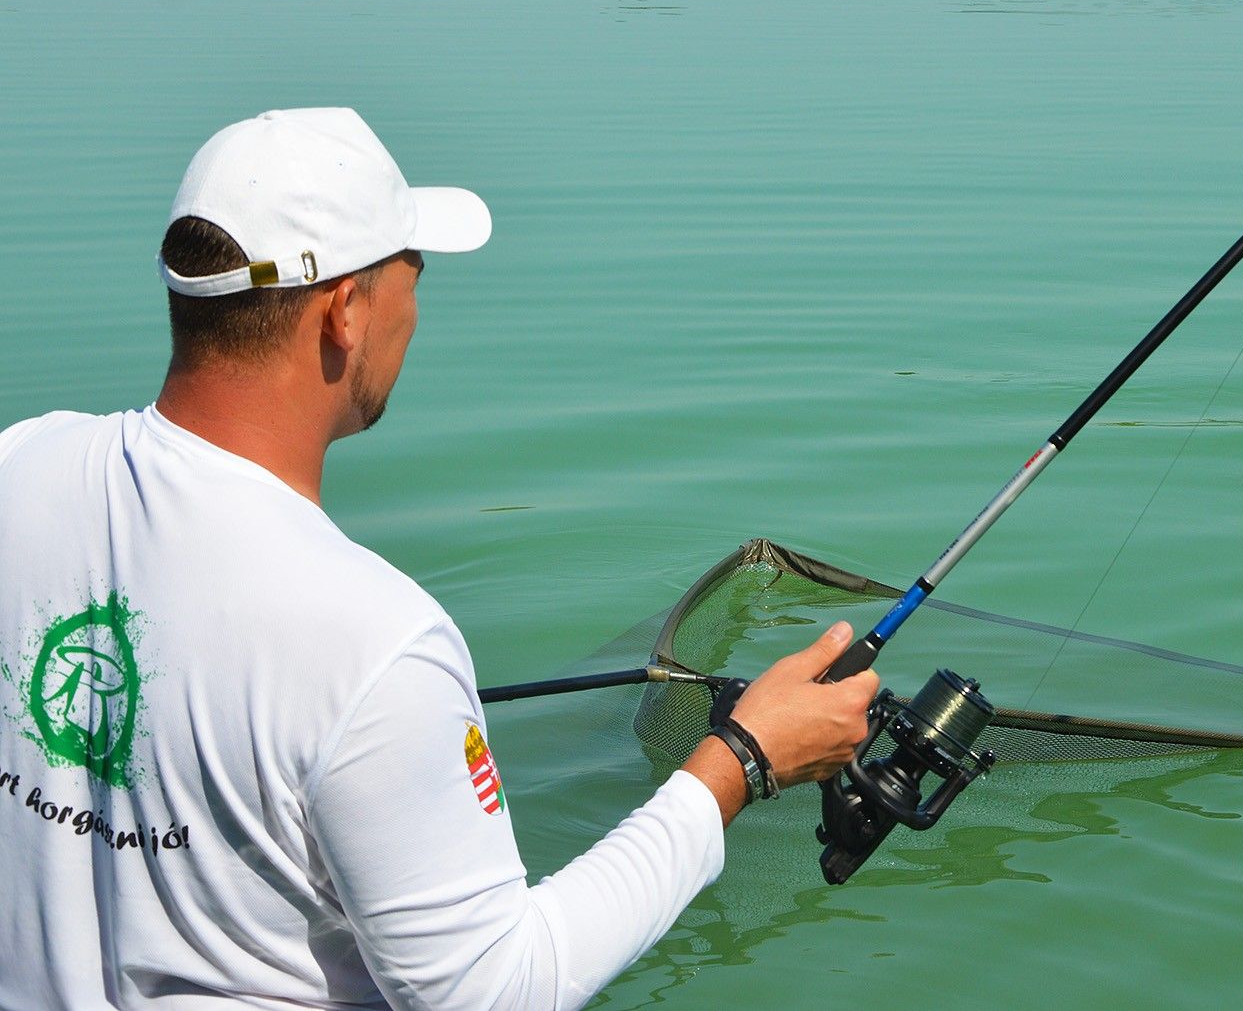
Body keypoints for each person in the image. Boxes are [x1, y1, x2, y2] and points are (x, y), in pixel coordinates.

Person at [0, 108, 880, 1010]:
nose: (416, 312)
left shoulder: (20, 462)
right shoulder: (375, 641)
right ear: (346, 310)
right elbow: (498, 990)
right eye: (411, 274)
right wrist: (740, 758)